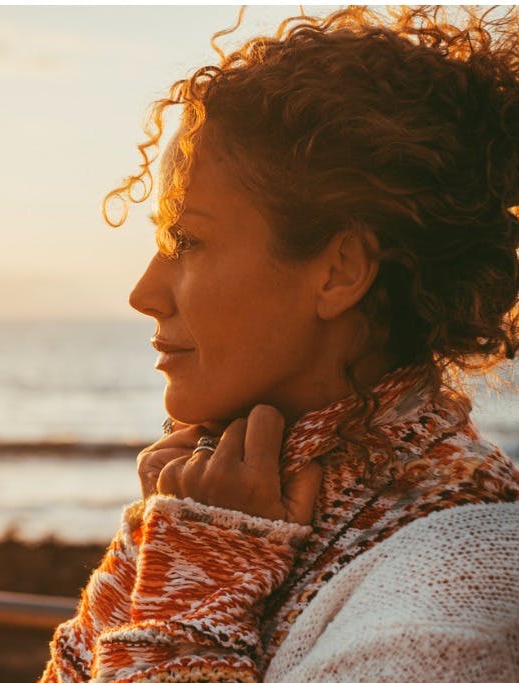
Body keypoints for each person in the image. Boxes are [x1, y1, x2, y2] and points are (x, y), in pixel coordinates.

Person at [40, 5, 519, 682]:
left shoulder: (463, 590)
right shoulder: (228, 510)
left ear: (340, 271)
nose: (144, 291)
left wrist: (194, 591)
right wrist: (161, 546)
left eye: (188, 241)